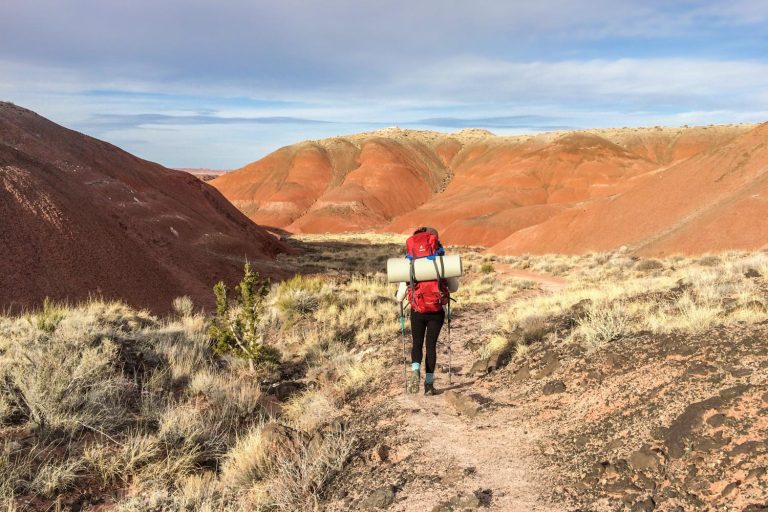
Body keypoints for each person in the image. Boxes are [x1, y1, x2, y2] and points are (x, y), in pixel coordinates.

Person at [395, 227, 459, 395]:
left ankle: (415, 370)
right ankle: (429, 385)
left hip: (417, 310)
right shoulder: (441, 262)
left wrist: (399, 294)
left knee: (417, 343)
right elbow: (453, 288)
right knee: (431, 346)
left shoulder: (410, 263)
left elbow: (400, 296)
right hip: (436, 311)